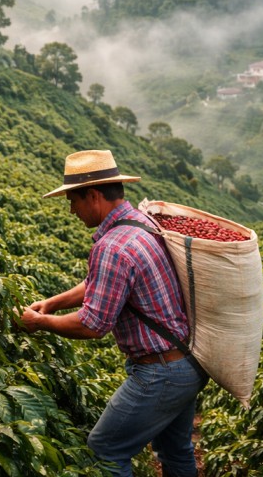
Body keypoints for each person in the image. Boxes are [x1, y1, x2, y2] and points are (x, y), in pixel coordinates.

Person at [20, 150, 206, 477]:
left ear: (93, 196)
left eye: (73, 201)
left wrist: (41, 323)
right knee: (176, 451)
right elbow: (99, 282)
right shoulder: (141, 222)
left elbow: (93, 325)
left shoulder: (111, 247)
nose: (71, 209)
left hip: (160, 373)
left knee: (106, 449)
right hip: (188, 363)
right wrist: (52, 303)